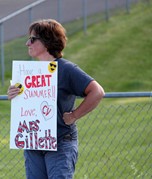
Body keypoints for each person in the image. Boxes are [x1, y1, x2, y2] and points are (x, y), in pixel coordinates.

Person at [7, 19, 105, 179]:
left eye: (32, 39)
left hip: (60, 142)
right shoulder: (29, 72)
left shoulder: (66, 69)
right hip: (34, 142)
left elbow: (97, 91)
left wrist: (74, 115)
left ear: (47, 41)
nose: (27, 43)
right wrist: (13, 95)